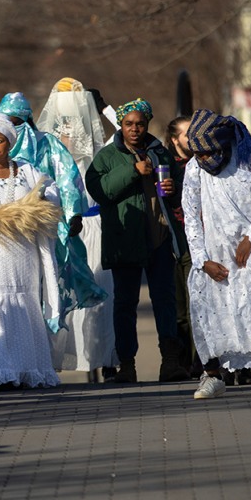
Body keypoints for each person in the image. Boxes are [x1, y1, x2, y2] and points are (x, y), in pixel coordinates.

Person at [181, 109, 251, 400]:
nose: (204, 160)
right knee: (209, 306)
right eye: (198, 154)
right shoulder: (194, 168)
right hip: (215, 248)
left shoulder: (249, 154)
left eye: (208, 153)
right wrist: (202, 259)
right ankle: (213, 375)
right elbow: (190, 215)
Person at [85, 98, 188, 383]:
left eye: (140, 124)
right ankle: (126, 366)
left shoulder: (159, 152)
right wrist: (133, 170)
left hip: (159, 237)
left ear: (147, 124)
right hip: (125, 240)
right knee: (125, 304)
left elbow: (181, 189)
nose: (134, 129)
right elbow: (100, 189)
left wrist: (173, 187)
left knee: (166, 302)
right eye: (129, 124)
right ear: (120, 124)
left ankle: (170, 362)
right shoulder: (108, 156)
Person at [0, 112, 61, 406]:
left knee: (26, 300)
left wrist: (41, 205)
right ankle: (0, 371)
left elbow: (51, 193)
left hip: (24, 248)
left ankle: (28, 369)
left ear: (9, 143)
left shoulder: (27, 171)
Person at [0, 91, 106, 328]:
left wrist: (73, 212)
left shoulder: (48, 144)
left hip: (46, 230)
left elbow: (67, 178)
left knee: (45, 287)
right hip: (7, 232)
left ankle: (44, 350)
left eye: (13, 121)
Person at [34, 78, 117, 380]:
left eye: (74, 124)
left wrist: (104, 108)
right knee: (62, 297)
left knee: (101, 299)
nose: (68, 133)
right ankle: (57, 359)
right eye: (62, 126)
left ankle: (104, 359)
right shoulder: (49, 155)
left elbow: (128, 131)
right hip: (63, 233)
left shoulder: (99, 154)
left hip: (94, 228)